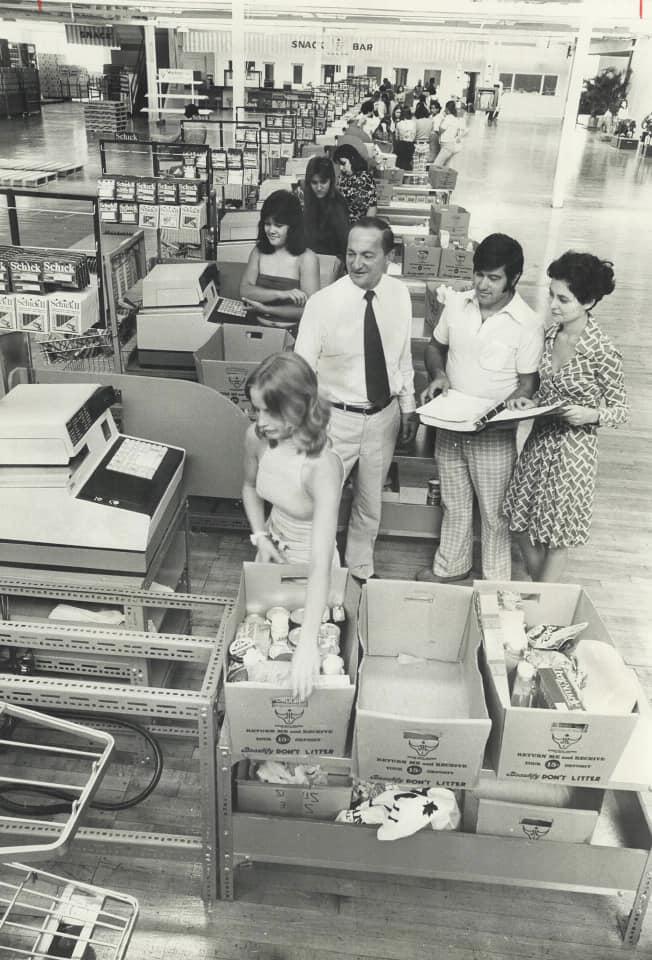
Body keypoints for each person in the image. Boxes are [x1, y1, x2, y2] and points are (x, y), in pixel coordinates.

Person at [295, 217, 418, 583]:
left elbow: (402, 356)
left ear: (388, 257)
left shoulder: (399, 295)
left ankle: (360, 572)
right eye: (351, 254)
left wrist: (408, 407)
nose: (357, 264)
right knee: (321, 502)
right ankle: (319, 572)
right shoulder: (322, 304)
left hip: (384, 417)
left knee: (369, 504)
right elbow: (301, 371)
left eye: (368, 255)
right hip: (335, 420)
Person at [417, 233, 544, 583]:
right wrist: (439, 375)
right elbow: (434, 347)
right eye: (479, 275)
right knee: (454, 505)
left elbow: (529, 380)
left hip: (493, 432)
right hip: (450, 422)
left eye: (494, 278)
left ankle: (495, 584)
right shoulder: (458, 304)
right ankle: (450, 569)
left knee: (494, 514)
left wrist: (519, 398)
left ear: (514, 278)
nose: (483, 285)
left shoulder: (528, 324)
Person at [504, 252, 628, 583]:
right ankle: (542, 593)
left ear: (588, 302)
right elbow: (544, 391)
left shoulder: (602, 351)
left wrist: (591, 414)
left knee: (557, 537)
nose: (553, 305)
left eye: (564, 299)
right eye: (552, 295)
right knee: (517, 521)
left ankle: (541, 606)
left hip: (574, 452)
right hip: (539, 441)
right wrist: (526, 403)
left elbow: (621, 410)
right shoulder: (548, 336)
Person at [242, 352, 344, 698]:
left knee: (305, 654)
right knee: (268, 642)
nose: (261, 421)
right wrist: (260, 536)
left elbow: (319, 567)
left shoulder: (322, 467)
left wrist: (309, 645)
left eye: (271, 411)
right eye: (256, 409)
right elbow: (249, 487)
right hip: (272, 547)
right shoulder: (256, 438)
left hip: (311, 565)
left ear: (299, 407)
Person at [240, 190, 319, 329]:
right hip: (256, 329)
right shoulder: (258, 251)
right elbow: (245, 290)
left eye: (279, 225)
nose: (271, 230)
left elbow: (311, 311)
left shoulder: (307, 258)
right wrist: (281, 294)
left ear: (293, 227)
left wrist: (266, 309)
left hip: (292, 334)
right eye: (267, 224)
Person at [302, 155, 350, 262]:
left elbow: (344, 244)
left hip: (331, 264)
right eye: (314, 183)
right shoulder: (309, 199)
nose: (319, 188)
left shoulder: (337, 204)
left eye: (323, 182)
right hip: (310, 260)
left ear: (331, 180)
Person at [332, 144, 378, 223]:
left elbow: (372, 207)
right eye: (339, 164)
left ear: (352, 159)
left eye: (343, 163)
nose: (341, 168)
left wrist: (365, 228)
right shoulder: (342, 178)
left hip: (358, 227)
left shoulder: (365, 178)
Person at [434, 100, 467, 167]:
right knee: (446, 165)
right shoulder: (455, 119)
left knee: (436, 165)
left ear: (448, 109)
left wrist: (441, 123)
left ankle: (436, 177)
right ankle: (446, 177)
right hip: (451, 144)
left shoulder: (448, 118)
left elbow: (441, 130)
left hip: (446, 145)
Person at [394, 106, 417, 171]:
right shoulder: (413, 123)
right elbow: (414, 135)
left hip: (401, 145)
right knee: (408, 164)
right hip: (410, 145)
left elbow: (396, 137)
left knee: (400, 165)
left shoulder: (399, 124)